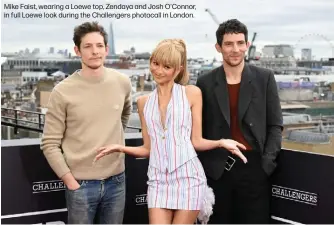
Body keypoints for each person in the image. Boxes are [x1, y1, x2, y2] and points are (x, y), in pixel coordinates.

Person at [94, 39, 248, 224]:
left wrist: (221, 142)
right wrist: (120, 148)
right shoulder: (143, 102)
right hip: (158, 181)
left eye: (166, 66)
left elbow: (196, 141)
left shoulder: (191, 93)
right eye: (155, 63)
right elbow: (148, 149)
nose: (158, 70)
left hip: (189, 179)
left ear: (178, 69)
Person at [40, 21, 132, 224]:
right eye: (88, 46)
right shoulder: (62, 91)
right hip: (80, 184)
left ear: (107, 49)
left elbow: (124, 116)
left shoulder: (122, 82)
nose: (95, 51)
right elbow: (49, 143)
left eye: (99, 46)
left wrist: (111, 137)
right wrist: (70, 181)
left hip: (117, 181)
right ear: (77, 51)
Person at [196, 19, 283, 224]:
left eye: (240, 43)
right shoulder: (205, 82)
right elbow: (198, 130)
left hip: (254, 168)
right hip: (218, 170)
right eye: (228, 44)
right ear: (218, 47)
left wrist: (266, 165)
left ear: (247, 45)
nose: (235, 49)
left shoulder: (265, 78)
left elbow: (275, 125)